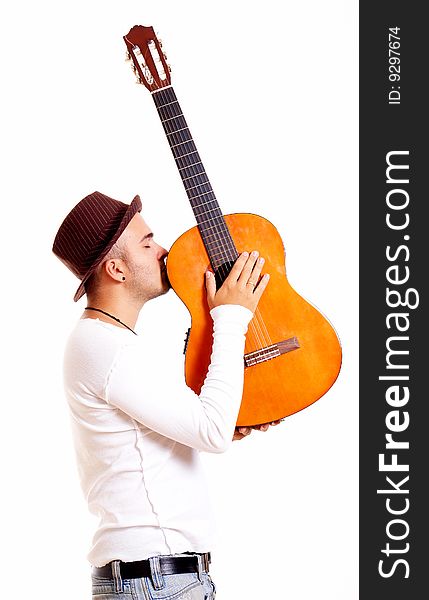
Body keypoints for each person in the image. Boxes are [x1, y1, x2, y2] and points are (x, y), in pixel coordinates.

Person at [52, 190, 279, 599]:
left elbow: (195, 430)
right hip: (156, 583)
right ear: (117, 269)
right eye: (147, 242)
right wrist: (231, 315)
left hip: (158, 580)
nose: (164, 251)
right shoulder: (106, 347)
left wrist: (227, 423)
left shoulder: (106, 342)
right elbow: (209, 432)